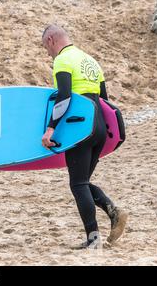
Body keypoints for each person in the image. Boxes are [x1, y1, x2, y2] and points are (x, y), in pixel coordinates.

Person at [41, 24, 128, 249]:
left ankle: (94, 238)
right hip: (99, 127)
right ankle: (114, 213)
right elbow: (105, 100)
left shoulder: (62, 60)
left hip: (80, 128)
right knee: (82, 182)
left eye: (46, 47)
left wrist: (51, 128)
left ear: (51, 40)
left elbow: (64, 96)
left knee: (78, 184)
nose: (48, 53)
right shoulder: (91, 61)